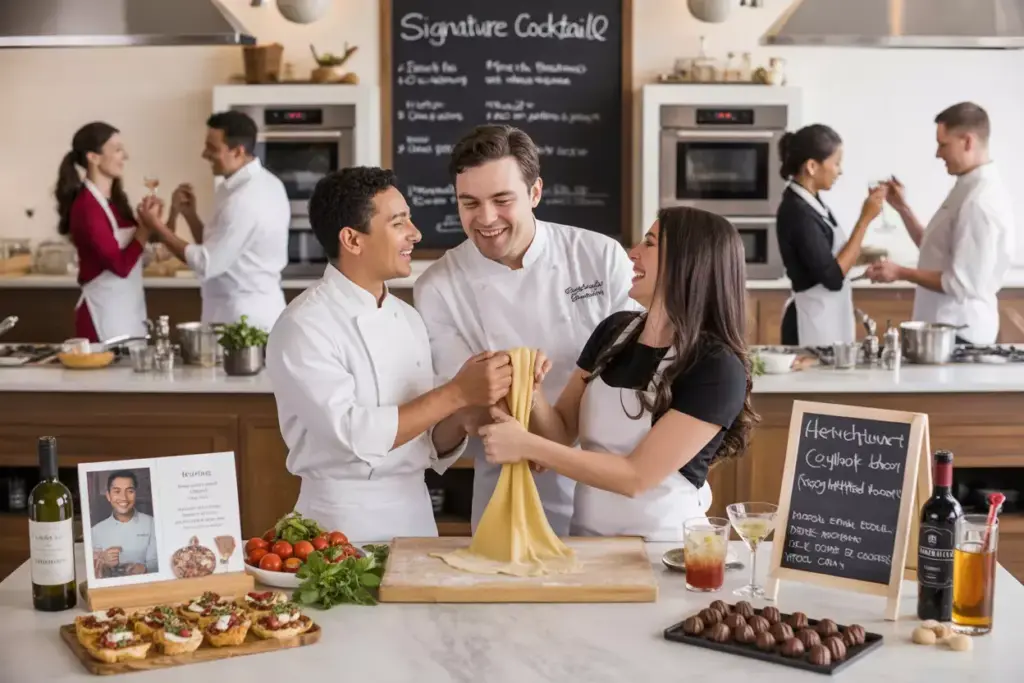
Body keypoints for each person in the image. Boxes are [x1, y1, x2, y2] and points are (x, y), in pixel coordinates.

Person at [478, 207, 758, 542]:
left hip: (664, 550)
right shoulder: (614, 332)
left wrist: (526, 446)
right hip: (587, 542)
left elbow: (636, 477)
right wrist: (530, 387)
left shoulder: (717, 368)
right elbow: (562, 433)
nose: (632, 254)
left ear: (687, 262)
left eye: (649, 244)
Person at [264, 167, 513, 543]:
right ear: (352, 239)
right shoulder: (303, 325)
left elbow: (426, 443)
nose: (415, 233)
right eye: (399, 223)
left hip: (415, 516)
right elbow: (352, 435)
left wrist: (464, 415)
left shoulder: (407, 317)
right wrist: (457, 393)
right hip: (340, 525)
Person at [413, 124, 639, 536]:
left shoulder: (600, 257)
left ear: (535, 193)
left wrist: (545, 433)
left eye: (502, 200)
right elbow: (467, 398)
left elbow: (635, 370)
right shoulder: (438, 286)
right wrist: (529, 433)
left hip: (607, 477)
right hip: (508, 483)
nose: (485, 218)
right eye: (469, 203)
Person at [866, 102, 1015, 344]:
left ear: (967, 142)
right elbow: (935, 248)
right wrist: (903, 208)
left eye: (943, 145)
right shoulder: (967, 187)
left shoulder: (979, 202)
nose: (938, 154)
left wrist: (901, 272)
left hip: (960, 331)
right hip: (946, 328)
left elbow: (961, 283)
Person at [137, 111, 289, 333]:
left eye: (212, 148)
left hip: (245, 320)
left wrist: (156, 226)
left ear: (238, 151)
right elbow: (216, 248)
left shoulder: (245, 199)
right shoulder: (249, 185)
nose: (204, 154)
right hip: (233, 311)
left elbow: (206, 263)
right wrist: (190, 216)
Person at [776, 124, 886, 346]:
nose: (840, 171)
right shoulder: (798, 212)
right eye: (836, 163)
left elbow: (829, 254)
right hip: (810, 324)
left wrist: (867, 260)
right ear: (812, 166)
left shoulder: (812, 203)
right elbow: (833, 277)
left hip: (825, 318)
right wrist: (864, 220)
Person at [56, 122, 149, 343]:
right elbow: (120, 266)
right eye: (117, 149)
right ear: (93, 157)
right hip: (102, 321)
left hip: (129, 315)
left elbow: (135, 257)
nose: (125, 155)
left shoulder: (115, 202)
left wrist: (167, 216)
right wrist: (145, 230)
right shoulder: (87, 207)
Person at [91, 470, 157, 576]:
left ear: (135, 494)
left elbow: (159, 562)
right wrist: (104, 562)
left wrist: (144, 568)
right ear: (108, 496)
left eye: (129, 491)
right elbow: (92, 571)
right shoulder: (95, 531)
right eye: (117, 491)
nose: (124, 498)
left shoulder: (152, 523)